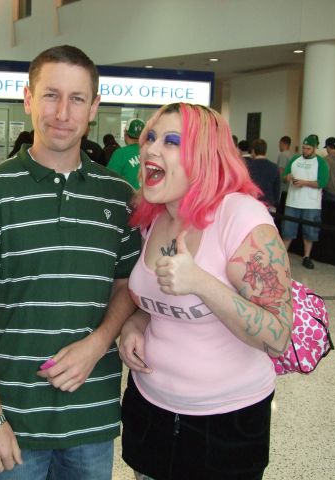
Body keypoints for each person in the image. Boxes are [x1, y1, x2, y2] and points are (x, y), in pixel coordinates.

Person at [0, 45, 141, 480]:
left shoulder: (120, 197)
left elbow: (127, 287)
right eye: (50, 95)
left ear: (94, 108)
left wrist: (97, 343)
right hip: (12, 420)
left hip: (92, 416)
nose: (63, 113)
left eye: (77, 99)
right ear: (28, 99)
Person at [118, 102, 293, 480]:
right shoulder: (154, 216)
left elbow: (278, 335)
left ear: (206, 155)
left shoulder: (241, 218)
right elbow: (158, 300)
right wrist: (135, 323)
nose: (150, 149)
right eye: (150, 137)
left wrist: (200, 282)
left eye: (171, 141)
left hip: (225, 424)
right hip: (150, 411)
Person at [280, 135, 330, 269]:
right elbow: (284, 176)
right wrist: (287, 177)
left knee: (310, 231)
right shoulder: (295, 159)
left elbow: (322, 182)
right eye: (303, 148)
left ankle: (306, 256)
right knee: (287, 230)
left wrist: (305, 183)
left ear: (314, 148)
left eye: (308, 148)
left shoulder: (321, 162)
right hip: (293, 201)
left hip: (311, 203)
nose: (305, 151)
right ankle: (282, 255)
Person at [106, 118, 145, 188]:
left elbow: (109, 180)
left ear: (125, 133)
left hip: (127, 194)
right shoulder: (150, 152)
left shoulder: (120, 153)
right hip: (148, 194)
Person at [246, 138, 280, 211]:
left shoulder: (248, 166)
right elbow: (276, 189)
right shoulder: (274, 167)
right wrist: (274, 203)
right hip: (269, 203)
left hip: (252, 203)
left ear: (253, 151)